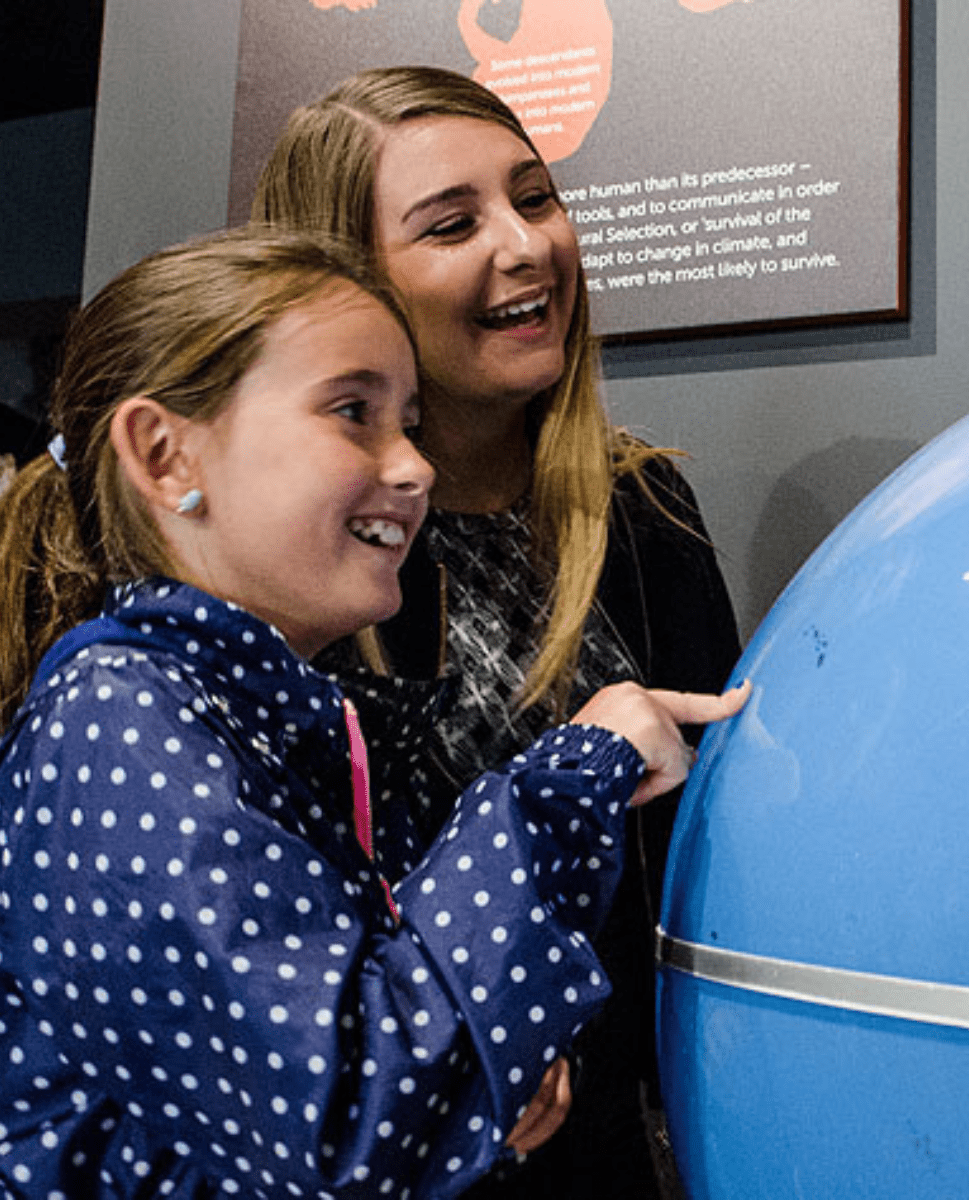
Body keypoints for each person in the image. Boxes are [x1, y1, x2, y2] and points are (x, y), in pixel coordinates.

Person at [0, 227, 748, 1199]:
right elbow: (348, 1120)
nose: (414, 467)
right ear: (164, 454)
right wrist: (564, 785)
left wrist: (484, 1073)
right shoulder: (119, 718)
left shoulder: (262, 713)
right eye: (353, 413)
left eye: (409, 422)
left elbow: (381, 1053)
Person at [253, 66, 742, 1198]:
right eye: (452, 224)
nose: (526, 247)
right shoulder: (293, 559)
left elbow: (712, 844)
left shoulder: (643, 507)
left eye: (535, 198)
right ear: (347, 283)